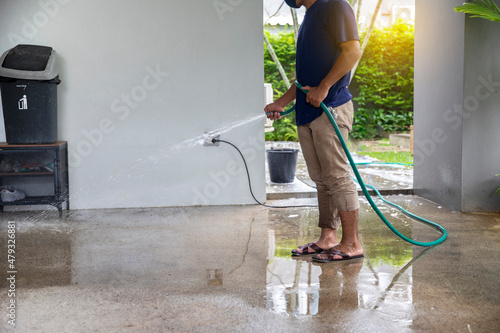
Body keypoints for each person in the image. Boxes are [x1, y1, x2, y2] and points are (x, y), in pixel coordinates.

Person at [264, 0, 363, 262]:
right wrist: (281, 103)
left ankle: (352, 243)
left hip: (331, 108)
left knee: (337, 176)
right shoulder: (311, 16)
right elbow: (304, 82)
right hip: (308, 111)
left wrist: (325, 87)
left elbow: (352, 51)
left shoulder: (335, 6)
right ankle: (328, 237)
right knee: (321, 178)